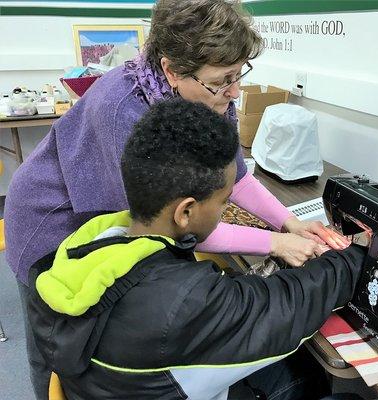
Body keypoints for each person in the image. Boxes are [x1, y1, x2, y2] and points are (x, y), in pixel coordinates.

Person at [4, 1, 348, 398]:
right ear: (171, 70)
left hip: (115, 215)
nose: (234, 91)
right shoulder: (121, 111)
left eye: (239, 75)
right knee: (60, 342)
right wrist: (275, 242)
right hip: (50, 219)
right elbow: (169, 224)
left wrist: (288, 222)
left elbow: (232, 174)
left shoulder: (211, 93)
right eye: (224, 80)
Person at [28, 99, 365, 400]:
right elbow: (284, 308)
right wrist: (356, 254)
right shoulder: (181, 303)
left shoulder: (93, 239)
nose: (225, 208)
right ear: (185, 212)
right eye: (224, 200)